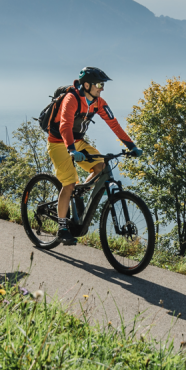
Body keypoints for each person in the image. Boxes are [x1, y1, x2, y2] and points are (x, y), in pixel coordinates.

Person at [46, 66, 142, 245]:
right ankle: (62, 228)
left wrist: (131, 146)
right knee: (68, 184)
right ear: (87, 85)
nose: (102, 88)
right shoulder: (71, 98)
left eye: (103, 85)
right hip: (59, 142)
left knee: (101, 167)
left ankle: (80, 191)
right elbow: (65, 125)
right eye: (99, 84)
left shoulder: (99, 103)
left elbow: (114, 124)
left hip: (78, 141)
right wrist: (71, 150)